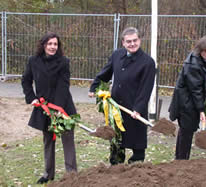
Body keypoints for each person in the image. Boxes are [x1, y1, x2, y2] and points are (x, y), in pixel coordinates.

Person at [88, 27, 156, 165]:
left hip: (135, 109)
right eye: (128, 41)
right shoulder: (117, 55)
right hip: (117, 107)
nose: (132, 44)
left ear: (140, 40)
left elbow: (146, 89)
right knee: (117, 140)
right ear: (123, 43)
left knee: (137, 143)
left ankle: (136, 169)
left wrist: (138, 108)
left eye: (135, 40)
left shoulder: (147, 62)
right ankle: (115, 168)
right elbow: (105, 73)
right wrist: (94, 87)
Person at [21, 32, 77, 184]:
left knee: (68, 140)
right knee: (48, 140)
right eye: (50, 44)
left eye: (55, 44)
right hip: (44, 108)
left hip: (63, 107)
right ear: (43, 45)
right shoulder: (33, 61)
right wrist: (31, 97)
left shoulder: (64, 62)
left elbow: (64, 85)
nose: (53, 47)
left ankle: (71, 174)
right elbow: (26, 80)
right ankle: (48, 174)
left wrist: (58, 108)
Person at [168, 35, 206, 160]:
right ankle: (182, 161)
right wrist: (201, 110)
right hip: (186, 103)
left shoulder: (201, 61)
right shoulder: (194, 64)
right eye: (205, 51)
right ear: (199, 49)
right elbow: (196, 90)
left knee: (185, 132)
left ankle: (181, 159)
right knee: (186, 133)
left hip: (188, 102)